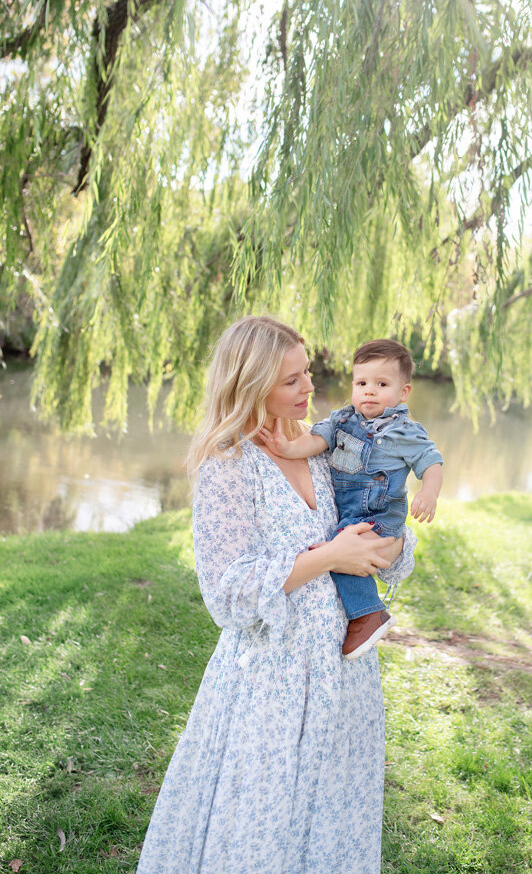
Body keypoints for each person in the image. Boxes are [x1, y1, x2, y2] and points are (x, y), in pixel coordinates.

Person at [135, 316, 417, 874]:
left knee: (331, 815)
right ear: (251, 384)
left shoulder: (320, 446)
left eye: (307, 372)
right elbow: (228, 593)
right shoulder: (228, 462)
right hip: (271, 681)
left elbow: (372, 521)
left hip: (343, 673)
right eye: (291, 380)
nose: (309, 387)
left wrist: (387, 542)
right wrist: (330, 558)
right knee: (260, 825)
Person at [258, 339, 443, 660]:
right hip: (349, 515)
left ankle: (368, 614)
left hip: (379, 516)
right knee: (341, 548)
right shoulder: (343, 421)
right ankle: (356, 597)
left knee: (349, 554)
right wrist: (286, 449)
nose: (369, 391)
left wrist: (429, 491)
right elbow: (316, 441)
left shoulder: (405, 431)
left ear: (403, 392)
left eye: (381, 384)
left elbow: (431, 461)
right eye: (361, 383)